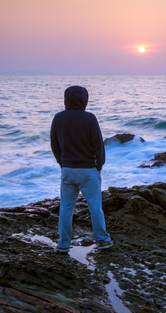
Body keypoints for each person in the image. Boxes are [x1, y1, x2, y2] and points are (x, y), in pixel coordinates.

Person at [50, 85, 112, 253]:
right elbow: (98, 146)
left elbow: (54, 145)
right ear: (84, 99)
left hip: (68, 169)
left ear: (66, 99)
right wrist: (99, 166)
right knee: (94, 207)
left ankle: (63, 244)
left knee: (66, 208)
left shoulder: (58, 118)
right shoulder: (89, 118)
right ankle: (103, 240)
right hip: (88, 170)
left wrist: (62, 163)